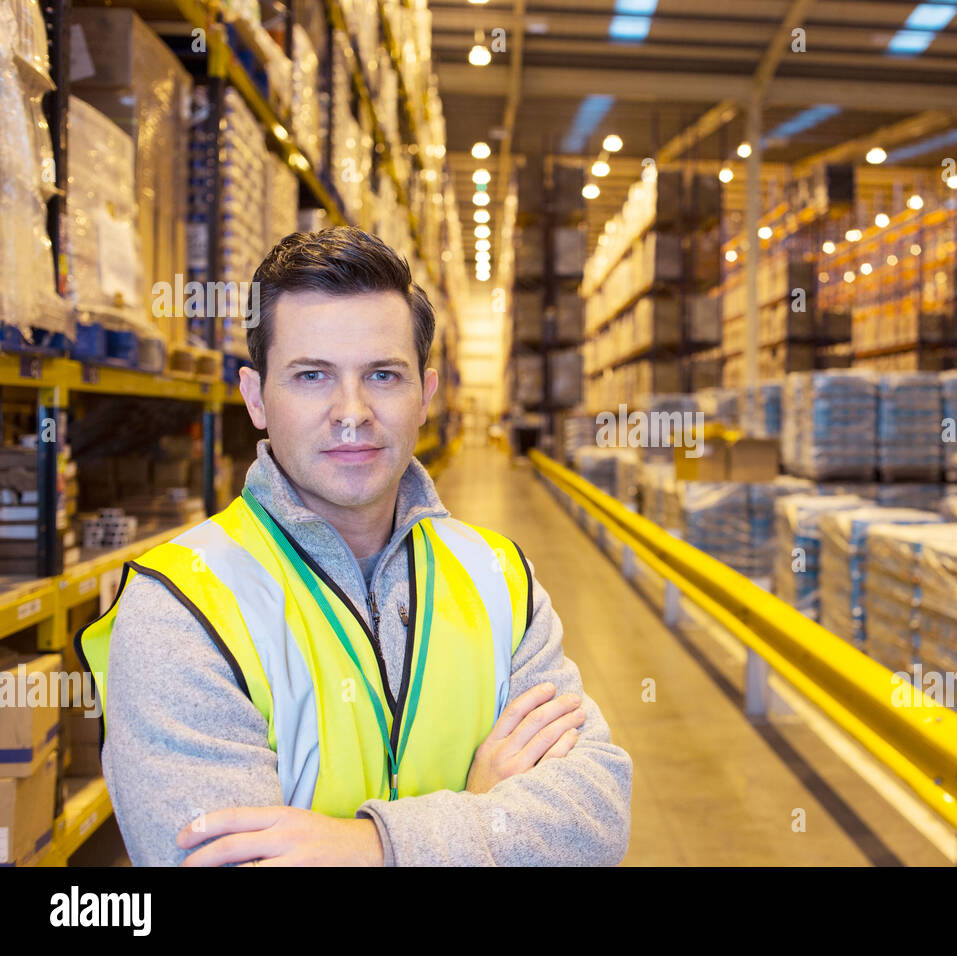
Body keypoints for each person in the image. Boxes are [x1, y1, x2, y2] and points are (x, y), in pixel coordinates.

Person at [76, 227, 632, 866]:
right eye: (312, 375)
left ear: (425, 396)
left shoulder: (499, 578)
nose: (351, 411)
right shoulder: (181, 609)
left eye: (383, 375)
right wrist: (483, 817)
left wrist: (370, 848)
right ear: (256, 398)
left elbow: (593, 823)